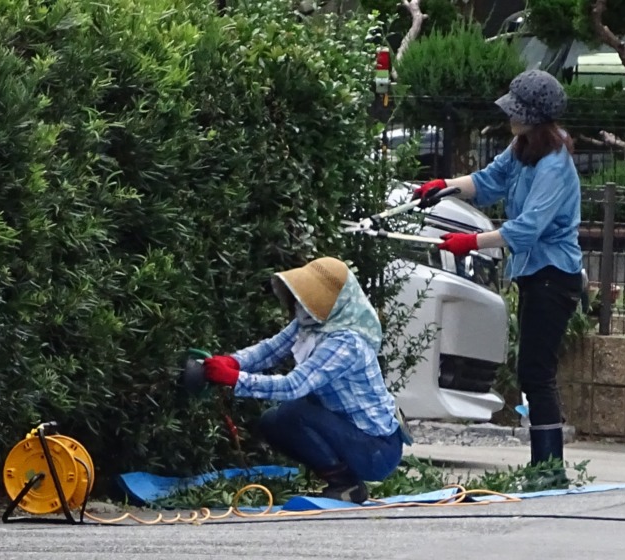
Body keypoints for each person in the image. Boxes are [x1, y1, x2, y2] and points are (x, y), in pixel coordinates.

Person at [412, 69, 583, 485]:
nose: (511, 117)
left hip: (554, 276)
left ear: (536, 117)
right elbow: (489, 182)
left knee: (535, 373)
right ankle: (544, 466)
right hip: (533, 274)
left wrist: (470, 242)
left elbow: (528, 228)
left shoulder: (555, 166)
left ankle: (549, 469)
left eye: (518, 112)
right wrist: (443, 186)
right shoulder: (521, 146)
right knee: (532, 372)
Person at [202, 256, 405, 504]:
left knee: (294, 412)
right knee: (272, 422)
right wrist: (231, 362)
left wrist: (234, 379)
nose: (300, 303)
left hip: (376, 449)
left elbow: (292, 386)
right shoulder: (313, 324)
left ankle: (347, 486)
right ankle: (341, 480)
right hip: (351, 433)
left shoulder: (345, 342)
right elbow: (270, 350)